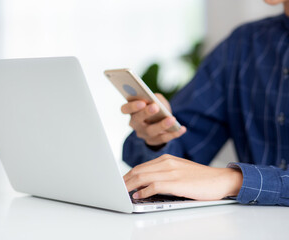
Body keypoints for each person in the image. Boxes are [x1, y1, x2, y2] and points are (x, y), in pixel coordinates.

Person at [122, 0, 289, 206]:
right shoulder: (243, 44)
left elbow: (216, 182)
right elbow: (183, 157)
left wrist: (235, 180)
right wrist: (158, 137)